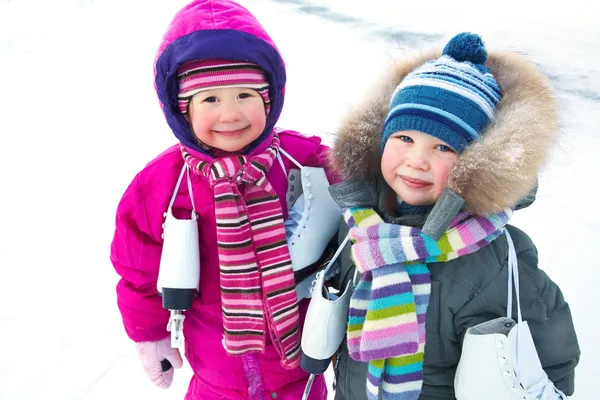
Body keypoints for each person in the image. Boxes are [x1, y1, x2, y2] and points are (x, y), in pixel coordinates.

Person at [327, 32, 580, 400]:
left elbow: (550, 363)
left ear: (476, 164)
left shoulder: (492, 261)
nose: (417, 160)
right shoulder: (360, 226)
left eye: (443, 146)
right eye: (404, 138)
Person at [110, 1, 336, 398]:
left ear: (269, 98)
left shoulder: (303, 161)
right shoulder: (164, 183)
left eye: (245, 94)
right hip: (215, 368)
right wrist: (149, 335)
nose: (230, 114)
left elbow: (361, 201)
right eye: (210, 99)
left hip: (301, 364)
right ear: (183, 110)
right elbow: (138, 268)